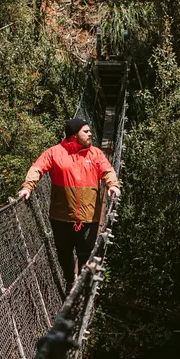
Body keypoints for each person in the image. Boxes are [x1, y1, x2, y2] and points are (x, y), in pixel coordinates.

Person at [17, 116, 121, 290]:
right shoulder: (54, 153)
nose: (90, 134)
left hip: (89, 217)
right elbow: (38, 168)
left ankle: (81, 288)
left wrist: (113, 185)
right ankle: (69, 280)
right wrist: (28, 187)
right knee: (64, 254)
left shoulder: (95, 153)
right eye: (86, 131)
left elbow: (107, 170)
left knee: (85, 254)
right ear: (74, 135)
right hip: (61, 217)